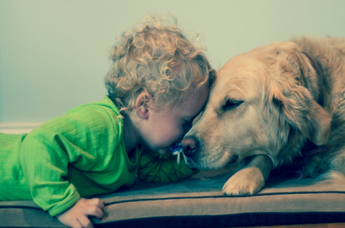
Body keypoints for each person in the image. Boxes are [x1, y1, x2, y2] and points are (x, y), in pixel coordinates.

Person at [0, 15, 215, 228]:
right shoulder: (102, 124)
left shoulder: (139, 149)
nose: (188, 132)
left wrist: (197, 156)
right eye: (186, 122)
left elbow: (158, 173)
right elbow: (40, 142)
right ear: (144, 106)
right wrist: (63, 204)